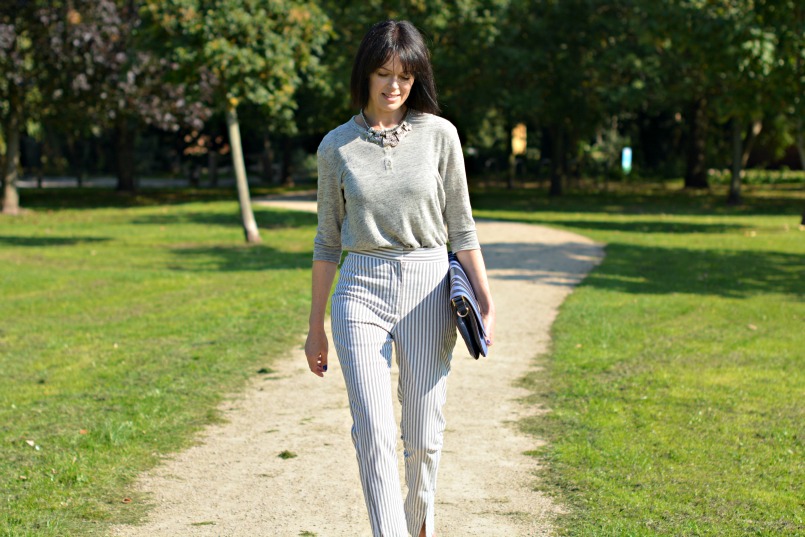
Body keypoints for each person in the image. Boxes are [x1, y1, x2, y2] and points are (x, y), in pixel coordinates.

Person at [304, 19, 496, 537]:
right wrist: (315, 325)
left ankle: (419, 526)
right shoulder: (336, 147)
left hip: (427, 286)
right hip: (359, 289)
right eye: (384, 74)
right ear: (365, 75)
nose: (394, 86)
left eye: (406, 77)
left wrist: (483, 294)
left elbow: (462, 226)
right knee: (373, 428)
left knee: (424, 434)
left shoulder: (440, 136)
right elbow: (326, 241)